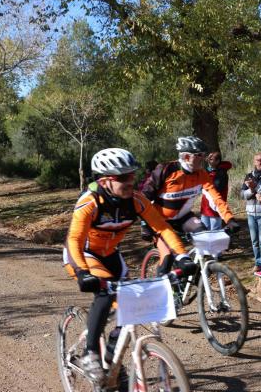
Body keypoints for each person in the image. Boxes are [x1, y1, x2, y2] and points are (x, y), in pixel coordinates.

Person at [63, 148, 195, 384]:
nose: (130, 181)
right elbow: (74, 239)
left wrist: (182, 256)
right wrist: (83, 272)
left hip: (111, 255)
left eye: (132, 175)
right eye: (123, 178)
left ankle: (111, 357)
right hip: (84, 254)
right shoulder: (90, 201)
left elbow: (162, 227)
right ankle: (90, 353)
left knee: (130, 303)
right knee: (104, 294)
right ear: (105, 181)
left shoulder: (136, 200)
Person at [141, 136, 240, 270]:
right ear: (187, 157)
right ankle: (166, 283)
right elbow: (145, 198)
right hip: (160, 220)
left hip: (184, 217)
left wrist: (229, 218)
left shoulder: (201, 174)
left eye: (203, 155)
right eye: (199, 155)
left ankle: (200, 276)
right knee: (168, 257)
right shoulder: (166, 170)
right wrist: (145, 224)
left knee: (206, 238)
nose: (203, 158)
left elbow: (215, 197)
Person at [241, 153, 261, 272]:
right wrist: (251, 189)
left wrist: (255, 188)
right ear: (254, 162)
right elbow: (242, 195)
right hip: (250, 213)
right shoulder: (249, 176)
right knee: (254, 241)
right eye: (258, 160)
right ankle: (258, 263)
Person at [200, 151, 233, 231]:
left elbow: (216, 188)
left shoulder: (221, 173)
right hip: (205, 207)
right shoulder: (208, 171)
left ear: (217, 161)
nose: (208, 160)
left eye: (211, 159)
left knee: (215, 232)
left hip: (215, 208)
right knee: (203, 231)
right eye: (209, 158)